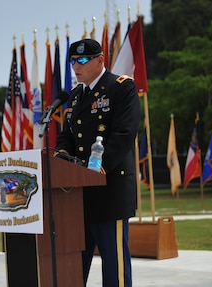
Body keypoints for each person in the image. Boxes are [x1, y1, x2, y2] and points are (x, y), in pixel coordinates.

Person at [55, 38, 140, 287]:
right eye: (72, 61)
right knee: (73, 267)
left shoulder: (121, 88)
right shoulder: (73, 96)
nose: (75, 66)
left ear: (100, 60)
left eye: (81, 60)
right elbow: (66, 137)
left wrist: (98, 170)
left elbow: (124, 135)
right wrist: (60, 156)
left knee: (114, 269)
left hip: (109, 191)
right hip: (78, 197)